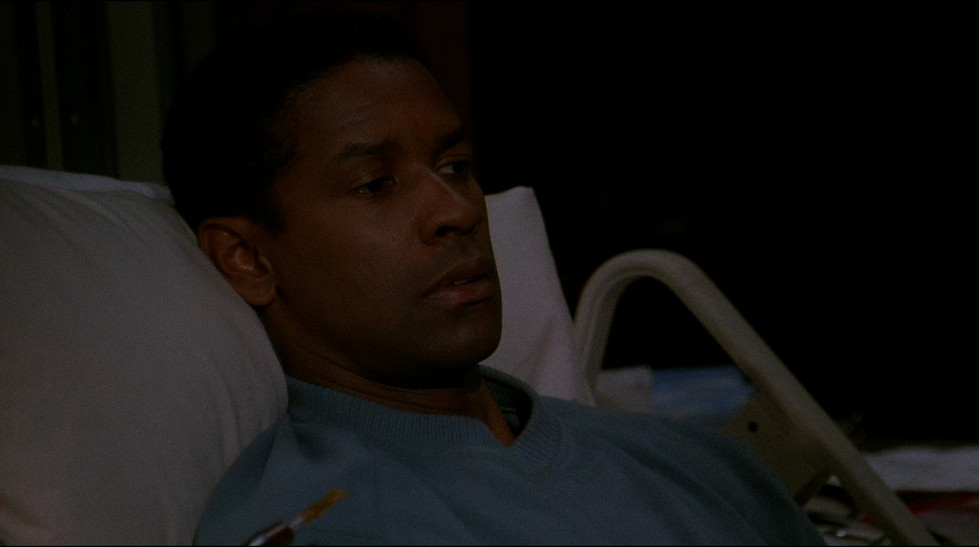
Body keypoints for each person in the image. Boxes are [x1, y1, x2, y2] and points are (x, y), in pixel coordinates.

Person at [162, 10, 824, 545]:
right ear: (248, 258)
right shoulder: (331, 522)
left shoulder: (691, 464)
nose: (456, 210)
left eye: (455, 166)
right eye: (376, 184)